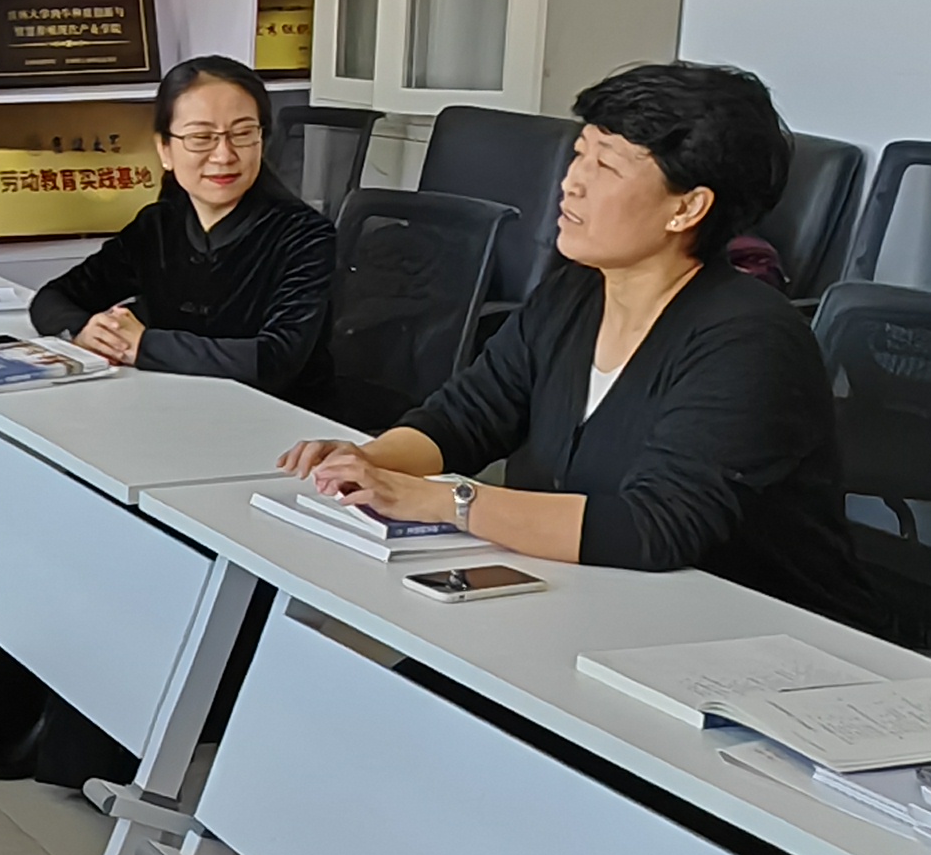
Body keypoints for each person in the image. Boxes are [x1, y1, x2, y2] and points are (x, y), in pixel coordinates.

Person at [278, 59, 874, 625]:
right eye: (580, 154)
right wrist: (370, 462)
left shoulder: (749, 340)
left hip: (748, 638)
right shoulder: (575, 292)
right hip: (584, 606)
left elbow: (654, 528)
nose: (572, 183)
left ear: (688, 207)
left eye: (605, 167)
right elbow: (466, 417)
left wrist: (442, 501)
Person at [0, 56, 338, 786]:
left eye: (242, 134)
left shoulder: (304, 236)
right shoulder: (161, 223)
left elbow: (275, 360)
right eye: (200, 138)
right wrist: (85, 330)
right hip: (163, 429)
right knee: (54, 517)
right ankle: (32, 719)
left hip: (260, 447)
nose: (223, 155)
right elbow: (55, 296)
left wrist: (147, 345)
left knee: (116, 543)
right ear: (165, 149)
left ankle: (86, 749)